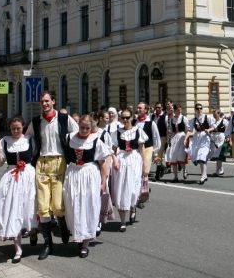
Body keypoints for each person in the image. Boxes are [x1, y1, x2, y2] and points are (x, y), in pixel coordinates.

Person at [25, 91, 79, 260]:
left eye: (47, 101)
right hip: (42, 162)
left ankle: (62, 224)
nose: (45, 104)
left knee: (57, 204)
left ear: (53, 101)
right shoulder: (36, 121)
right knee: (42, 206)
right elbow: (26, 138)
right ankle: (48, 245)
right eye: (42, 101)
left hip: (59, 162)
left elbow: (77, 134)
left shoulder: (64, 119)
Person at [0, 116, 38, 263]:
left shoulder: (29, 139)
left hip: (28, 177)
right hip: (11, 177)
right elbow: (0, 163)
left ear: (23, 126)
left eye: (18, 128)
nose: (16, 131)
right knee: (12, 211)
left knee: (29, 209)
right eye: (13, 128)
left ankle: (32, 230)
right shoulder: (4, 141)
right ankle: (18, 249)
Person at [63, 115, 111, 258]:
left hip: (89, 175)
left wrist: (103, 183)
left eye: (87, 128)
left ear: (91, 128)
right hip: (73, 174)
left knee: (88, 206)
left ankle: (85, 244)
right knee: (74, 205)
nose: (84, 130)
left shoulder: (95, 141)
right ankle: (78, 234)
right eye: (82, 127)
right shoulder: (69, 138)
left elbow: (103, 165)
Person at [111, 109, 148, 232]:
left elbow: (142, 149)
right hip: (122, 161)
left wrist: (145, 166)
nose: (125, 120)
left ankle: (133, 206)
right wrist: (115, 161)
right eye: (123, 118)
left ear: (132, 118)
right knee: (122, 189)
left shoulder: (138, 131)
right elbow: (113, 151)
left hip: (134, 161)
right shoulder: (116, 132)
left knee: (133, 189)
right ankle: (122, 221)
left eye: (127, 118)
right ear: (120, 119)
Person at [134, 102, 161, 198]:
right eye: (137, 108)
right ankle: (141, 188)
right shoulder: (134, 122)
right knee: (137, 171)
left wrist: (156, 153)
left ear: (146, 110)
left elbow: (156, 138)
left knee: (145, 170)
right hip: (136, 149)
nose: (138, 109)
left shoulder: (151, 123)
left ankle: (143, 192)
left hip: (148, 149)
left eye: (140, 108)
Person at [189, 103, 215, 184]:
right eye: (197, 108)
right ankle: (204, 175)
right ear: (195, 110)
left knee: (203, 156)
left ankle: (203, 176)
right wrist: (186, 138)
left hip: (205, 138)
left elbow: (214, 126)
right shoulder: (194, 120)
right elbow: (189, 129)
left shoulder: (207, 118)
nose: (199, 110)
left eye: (200, 108)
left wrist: (209, 130)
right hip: (197, 139)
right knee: (200, 157)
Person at [165, 103, 190, 181]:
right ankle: (175, 176)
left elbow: (188, 130)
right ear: (175, 111)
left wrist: (186, 139)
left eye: (180, 110)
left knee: (180, 156)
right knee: (173, 156)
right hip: (174, 138)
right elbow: (171, 130)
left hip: (182, 137)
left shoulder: (184, 118)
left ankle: (184, 170)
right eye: (178, 110)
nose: (179, 111)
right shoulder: (171, 119)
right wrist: (169, 132)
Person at [151, 101, 168, 181]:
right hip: (153, 138)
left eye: (159, 107)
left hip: (162, 137)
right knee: (152, 154)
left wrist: (167, 139)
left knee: (159, 155)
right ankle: (162, 167)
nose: (157, 109)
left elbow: (167, 128)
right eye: (156, 107)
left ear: (162, 108)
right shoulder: (153, 116)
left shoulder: (165, 116)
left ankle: (157, 175)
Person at [209, 109, 228, 176]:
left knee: (219, 154)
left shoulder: (224, 121)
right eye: (213, 115)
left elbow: (227, 129)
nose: (214, 116)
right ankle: (221, 169)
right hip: (214, 139)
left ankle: (218, 170)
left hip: (221, 138)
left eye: (216, 114)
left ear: (219, 114)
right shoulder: (213, 122)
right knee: (216, 155)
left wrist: (227, 137)